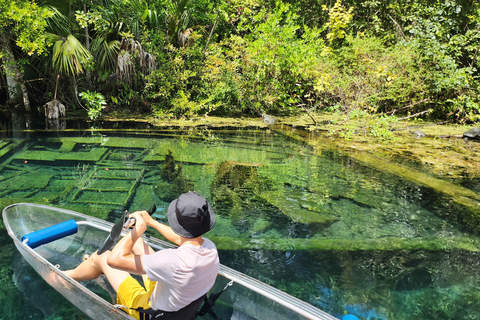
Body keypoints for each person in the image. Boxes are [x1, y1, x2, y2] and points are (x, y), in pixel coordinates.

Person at [64, 191, 219, 319]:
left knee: (102, 257)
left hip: (151, 311)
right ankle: (96, 270)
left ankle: (66, 277)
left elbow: (113, 260)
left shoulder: (171, 261)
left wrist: (139, 229)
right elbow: (181, 238)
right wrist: (150, 221)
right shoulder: (209, 248)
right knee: (136, 243)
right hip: (176, 298)